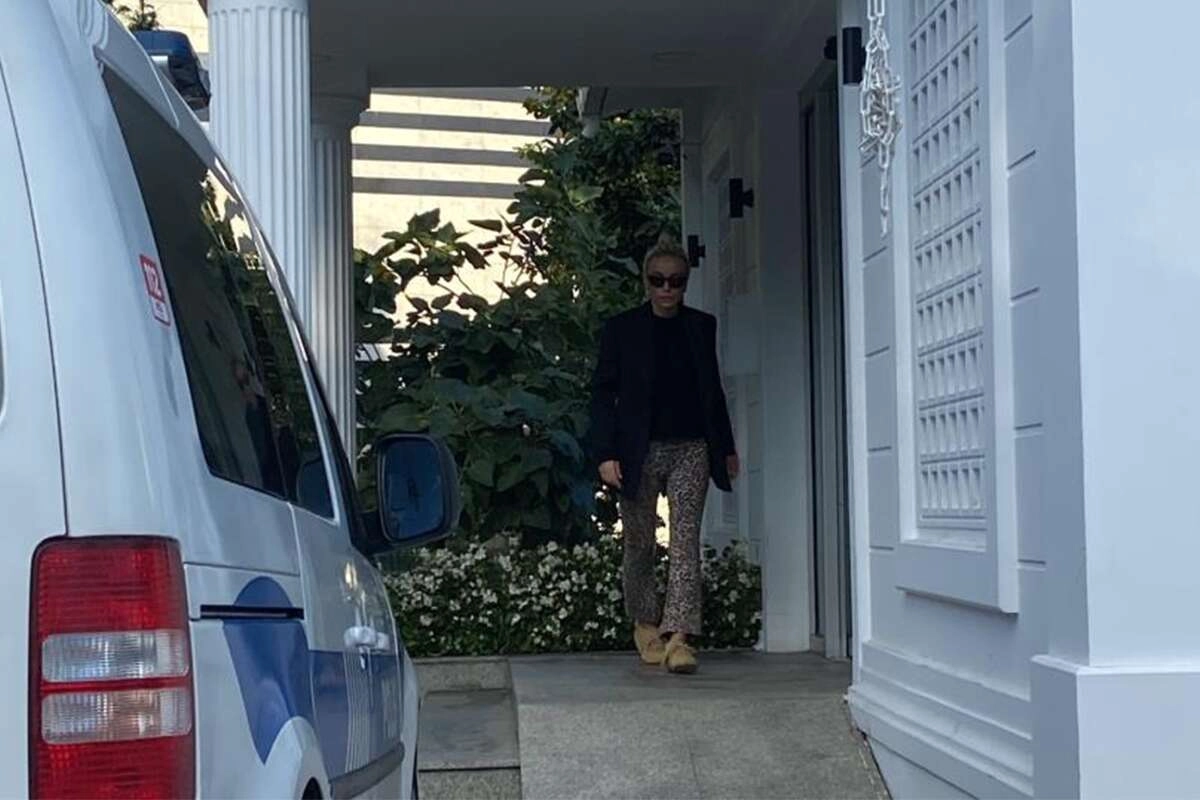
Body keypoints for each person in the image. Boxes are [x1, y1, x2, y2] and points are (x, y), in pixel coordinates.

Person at [589, 235, 738, 674]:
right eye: (658, 280)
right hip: (637, 450)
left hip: (692, 446)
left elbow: (712, 391)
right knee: (639, 541)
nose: (667, 289)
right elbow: (603, 395)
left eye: (676, 281)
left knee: (685, 538)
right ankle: (645, 623)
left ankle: (680, 637)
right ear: (646, 281)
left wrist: (726, 447)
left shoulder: (701, 326)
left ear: (686, 283)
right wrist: (605, 453)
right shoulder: (621, 329)